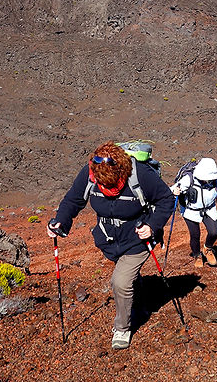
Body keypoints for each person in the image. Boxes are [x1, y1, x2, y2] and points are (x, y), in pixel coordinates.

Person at [48, 141, 174, 350]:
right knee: (128, 277)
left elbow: (166, 200)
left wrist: (152, 226)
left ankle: (123, 328)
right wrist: (61, 220)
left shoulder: (140, 174)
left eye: (112, 185)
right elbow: (73, 200)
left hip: (137, 238)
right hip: (108, 239)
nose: (108, 190)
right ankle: (141, 303)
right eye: (103, 186)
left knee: (120, 281)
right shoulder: (90, 173)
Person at [170, 157, 217, 268]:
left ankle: (207, 249)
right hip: (190, 211)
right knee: (195, 235)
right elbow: (172, 190)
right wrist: (175, 192)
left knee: (214, 232)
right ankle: (197, 255)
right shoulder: (188, 179)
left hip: (209, 209)